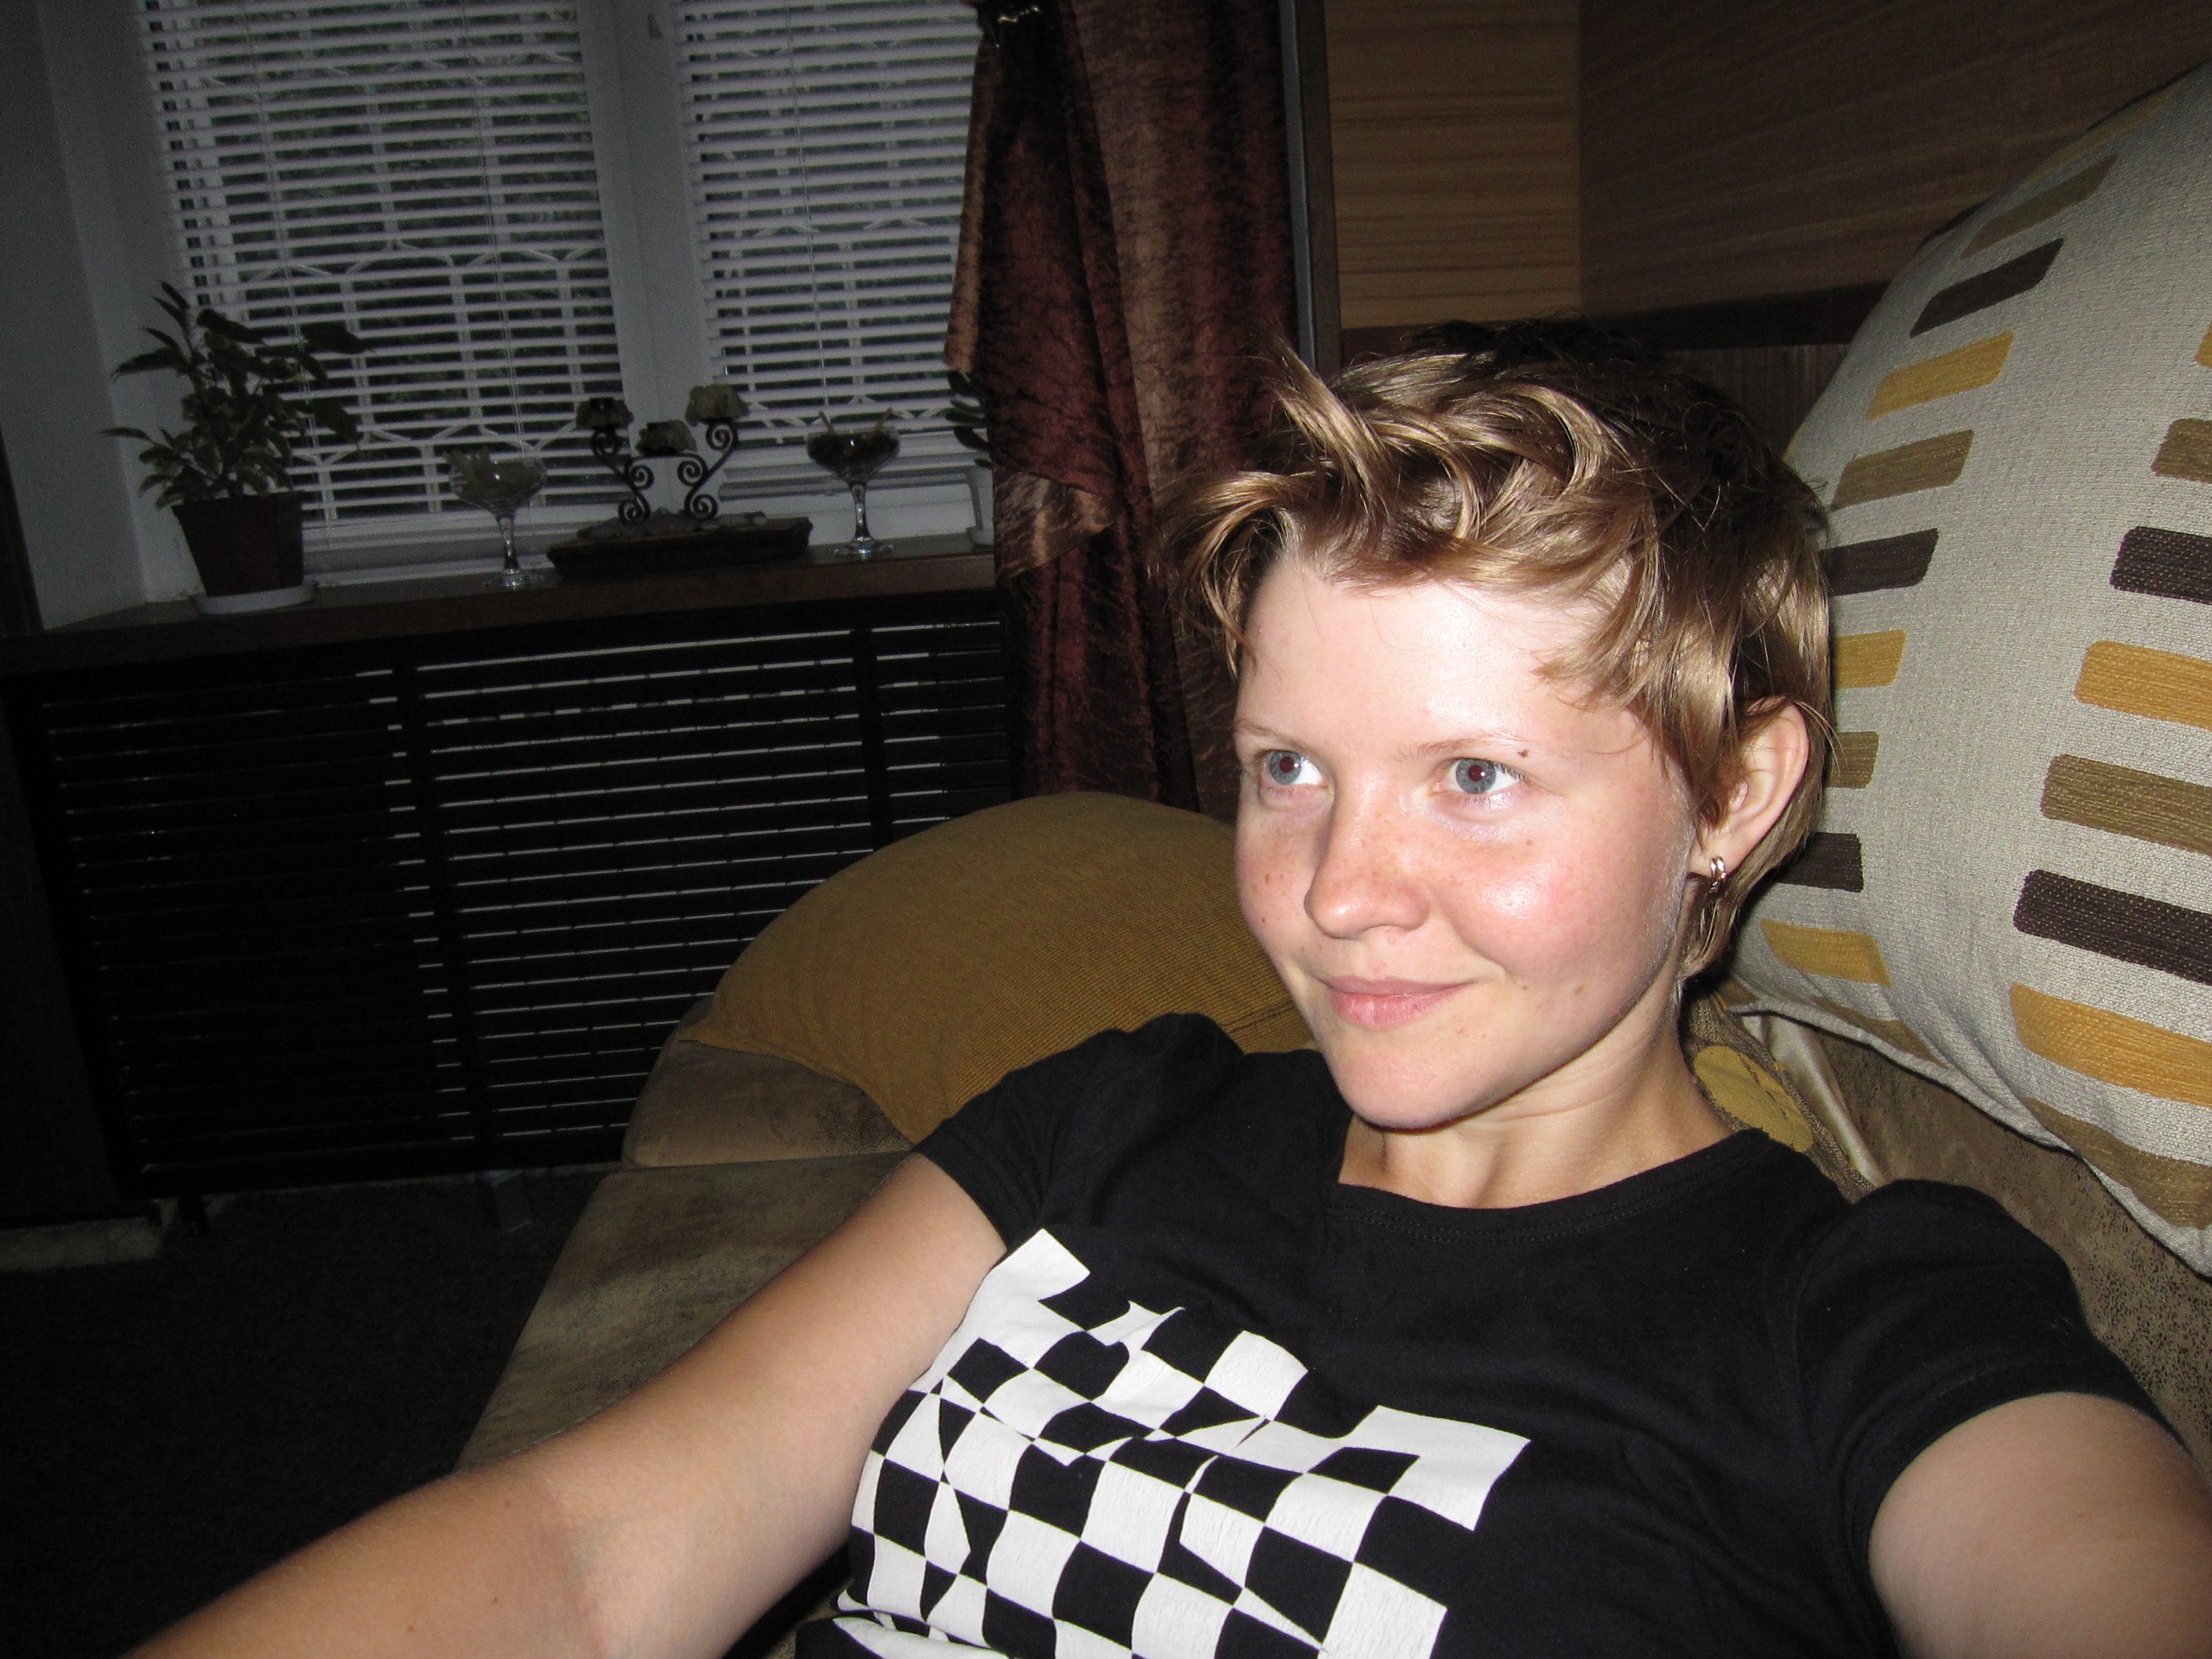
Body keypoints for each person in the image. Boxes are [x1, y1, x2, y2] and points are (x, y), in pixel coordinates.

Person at [136, 326, 2212, 1659]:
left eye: (1473, 777)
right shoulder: (1111, 1117)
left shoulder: (1865, 1312)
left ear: (1733, 792)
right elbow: (597, 1554)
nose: (1335, 893)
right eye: (1286, 768)